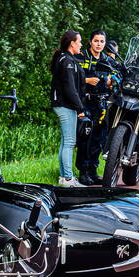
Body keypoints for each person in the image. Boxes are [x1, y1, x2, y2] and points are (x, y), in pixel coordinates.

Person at [75, 30, 114, 185]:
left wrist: (112, 81)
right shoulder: (81, 56)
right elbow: (71, 77)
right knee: (85, 138)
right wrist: (87, 80)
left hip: (102, 103)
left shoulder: (107, 59)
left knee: (99, 139)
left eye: (102, 41)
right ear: (90, 42)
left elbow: (114, 76)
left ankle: (93, 171)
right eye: (96, 41)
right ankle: (83, 172)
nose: (99, 44)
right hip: (85, 101)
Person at [50, 30, 88, 187]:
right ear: (72, 43)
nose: (81, 44)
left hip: (64, 104)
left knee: (65, 142)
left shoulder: (66, 59)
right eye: (79, 41)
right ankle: (68, 179)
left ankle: (63, 178)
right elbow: (70, 88)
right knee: (70, 142)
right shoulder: (67, 61)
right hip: (65, 105)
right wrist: (80, 108)